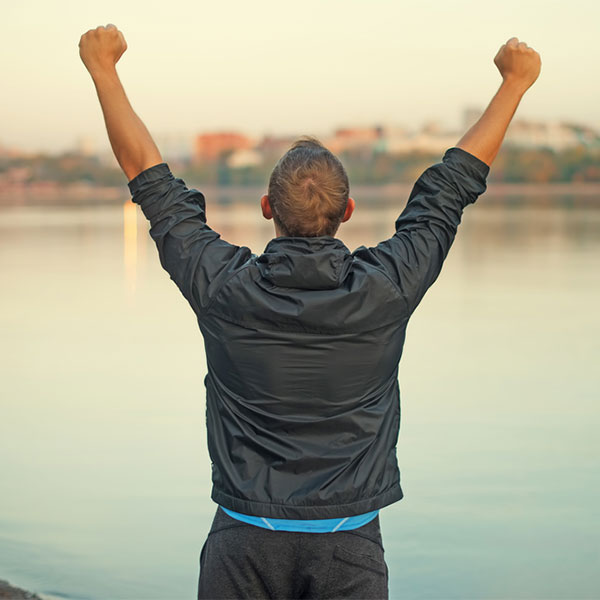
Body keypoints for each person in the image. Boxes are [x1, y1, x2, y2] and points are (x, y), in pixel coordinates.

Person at [79, 26, 541, 600]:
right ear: (348, 210)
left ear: (268, 207)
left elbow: (149, 179)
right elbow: (446, 192)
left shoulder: (224, 288)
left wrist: (103, 70)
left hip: (242, 543)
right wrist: (515, 84)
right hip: (349, 545)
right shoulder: (387, 288)